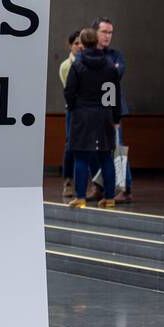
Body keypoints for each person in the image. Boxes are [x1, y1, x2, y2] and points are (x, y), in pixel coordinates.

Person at [64, 27, 123, 208]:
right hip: (104, 115)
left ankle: (80, 197)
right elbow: (114, 94)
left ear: (82, 43)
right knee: (106, 156)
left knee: (81, 158)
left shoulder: (78, 66)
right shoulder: (109, 67)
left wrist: (74, 107)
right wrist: (115, 117)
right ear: (96, 41)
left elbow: (69, 92)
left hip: (82, 116)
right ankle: (110, 197)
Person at [92, 16, 132, 203]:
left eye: (110, 32)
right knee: (93, 148)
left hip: (112, 109)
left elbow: (116, 73)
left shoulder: (116, 55)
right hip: (92, 108)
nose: (107, 36)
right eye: (104, 32)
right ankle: (98, 186)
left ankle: (125, 189)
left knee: (117, 149)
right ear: (95, 32)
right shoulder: (89, 53)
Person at [58, 30, 83, 199]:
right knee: (70, 145)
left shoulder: (88, 63)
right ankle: (68, 180)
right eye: (76, 43)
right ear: (70, 45)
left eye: (82, 43)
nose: (79, 46)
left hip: (87, 109)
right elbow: (70, 89)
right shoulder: (67, 66)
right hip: (74, 109)